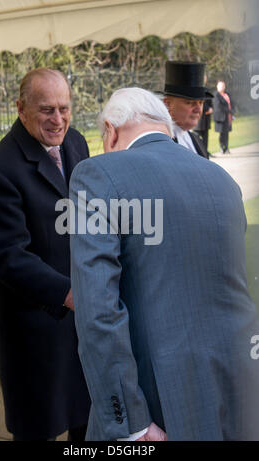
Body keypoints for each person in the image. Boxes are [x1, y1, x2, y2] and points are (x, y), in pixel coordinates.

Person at [69, 87, 259, 441]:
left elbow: (97, 309)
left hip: (154, 403)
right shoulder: (222, 181)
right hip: (235, 389)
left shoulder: (96, 175)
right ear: (165, 125)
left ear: (110, 131)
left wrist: (131, 423)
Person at [0, 68, 91, 441]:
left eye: (64, 108)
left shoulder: (76, 143)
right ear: (21, 109)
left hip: (80, 324)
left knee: (86, 422)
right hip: (35, 328)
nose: (58, 120)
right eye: (46, 110)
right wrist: (70, 294)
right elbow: (9, 256)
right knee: (38, 425)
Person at [161, 61, 213, 159]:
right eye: (189, 102)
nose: (198, 109)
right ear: (167, 104)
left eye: (201, 103)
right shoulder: (160, 143)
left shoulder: (196, 140)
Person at [193, 75, 213, 156]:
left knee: (206, 138)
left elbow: (210, 101)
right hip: (199, 120)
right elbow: (198, 103)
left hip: (206, 119)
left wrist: (211, 108)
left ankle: (205, 152)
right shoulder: (194, 90)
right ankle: (199, 153)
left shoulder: (206, 90)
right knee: (197, 138)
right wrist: (207, 109)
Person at [213, 80, 234, 154]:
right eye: (220, 86)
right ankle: (222, 148)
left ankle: (227, 148)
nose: (222, 87)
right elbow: (218, 106)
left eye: (223, 86)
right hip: (220, 117)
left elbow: (231, 103)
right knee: (222, 133)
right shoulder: (216, 95)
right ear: (217, 86)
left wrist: (232, 111)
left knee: (226, 133)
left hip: (228, 117)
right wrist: (229, 110)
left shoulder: (227, 94)